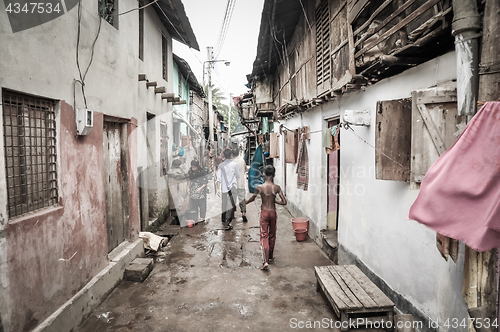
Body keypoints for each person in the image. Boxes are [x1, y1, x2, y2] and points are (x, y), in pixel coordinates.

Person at [246, 165, 287, 270]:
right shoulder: (277, 187)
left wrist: (245, 202)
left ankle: (265, 261)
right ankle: (270, 256)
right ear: (274, 175)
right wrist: (275, 201)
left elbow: (252, 198)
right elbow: (284, 202)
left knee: (264, 235)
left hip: (264, 213)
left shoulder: (259, 187)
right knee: (272, 235)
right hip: (273, 212)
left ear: (263, 174)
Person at [216, 148, 240, 230]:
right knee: (231, 205)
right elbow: (238, 176)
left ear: (223, 156)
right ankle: (227, 223)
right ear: (231, 155)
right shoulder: (234, 164)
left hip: (224, 188)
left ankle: (223, 220)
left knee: (224, 204)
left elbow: (218, 178)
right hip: (232, 187)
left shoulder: (220, 165)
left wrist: (218, 189)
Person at [232, 146, 248, 222]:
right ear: (238, 153)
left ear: (232, 154)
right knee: (242, 199)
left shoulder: (232, 162)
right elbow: (246, 169)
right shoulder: (242, 161)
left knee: (233, 200)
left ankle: (232, 214)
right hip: (241, 184)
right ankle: (243, 213)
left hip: (234, 185)